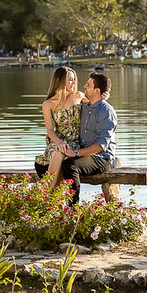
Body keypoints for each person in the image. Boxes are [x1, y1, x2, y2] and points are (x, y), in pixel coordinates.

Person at [59, 72, 117, 203]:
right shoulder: (84, 107)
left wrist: (75, 153)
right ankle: (53, 204)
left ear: (97, 90)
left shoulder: (106, 111)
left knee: (70, 165)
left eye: (88, 84)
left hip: (102, 158)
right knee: (49, 163)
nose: (84, 86)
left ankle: (72, 209)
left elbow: (101, 146)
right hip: (84, 155)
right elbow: (68, 123)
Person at [34, 66, 86, 191]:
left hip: (76, 142)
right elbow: (50, 130)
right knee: (59, 151)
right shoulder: (48, 104)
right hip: (58, 141)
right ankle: (50, 196)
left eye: (74, 79)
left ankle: (47, 196)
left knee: (61, 152)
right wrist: (60, 142)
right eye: (70, 80)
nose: (73, 83)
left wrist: (104, 97)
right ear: (59, 81)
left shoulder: (79, 96)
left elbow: (97, 107)